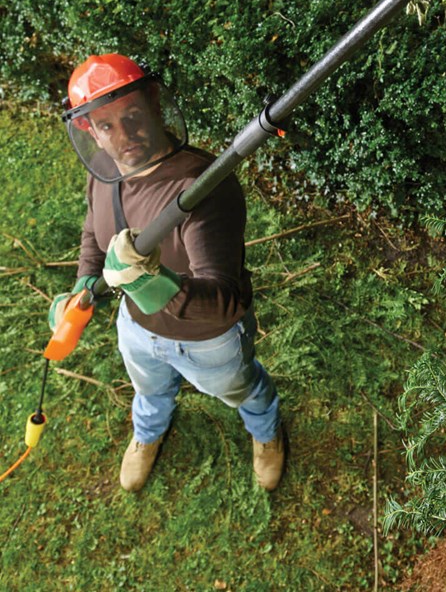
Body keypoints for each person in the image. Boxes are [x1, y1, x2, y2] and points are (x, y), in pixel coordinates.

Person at [49, 53, 285, 492]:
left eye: (133, 116)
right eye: (106, 126)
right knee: (150, 391)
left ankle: (266, 432)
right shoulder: (104, 173)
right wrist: (84, 281)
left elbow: (224, 302)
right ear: (90, 131)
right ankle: (147, 434)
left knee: (244, 390)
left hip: (208, 343)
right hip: (136, 329)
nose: (125, 136)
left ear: (155, 103)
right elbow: (92, 228)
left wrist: (149, 284)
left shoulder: (202, 188)